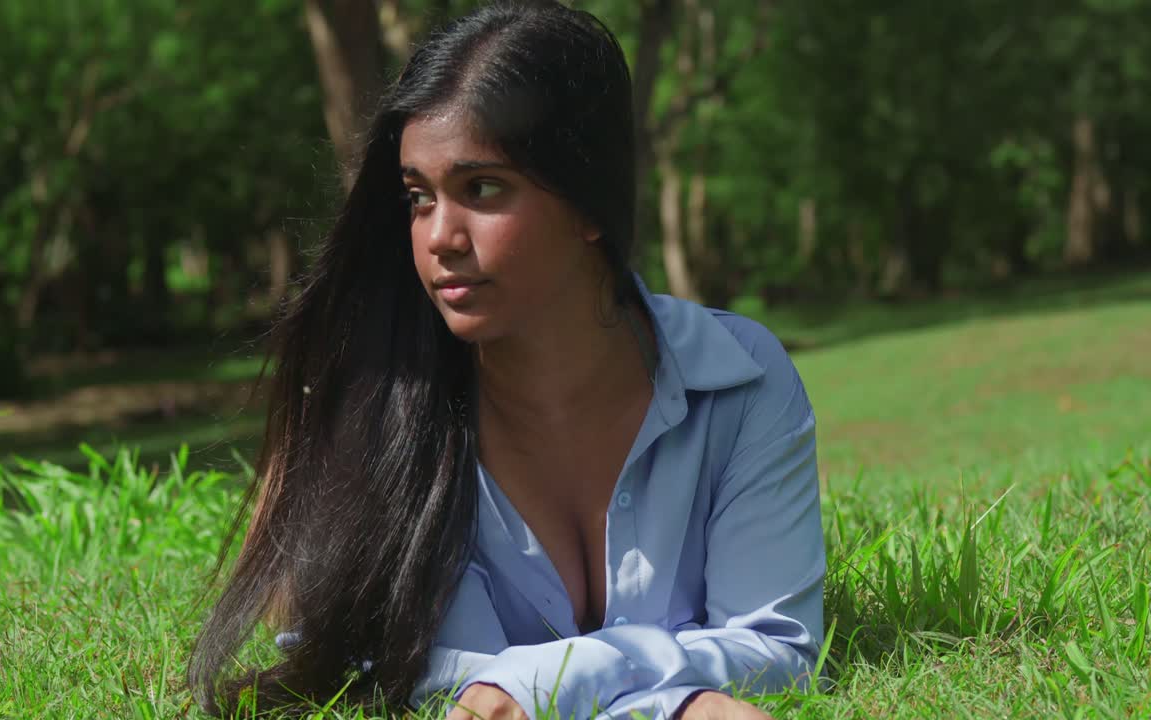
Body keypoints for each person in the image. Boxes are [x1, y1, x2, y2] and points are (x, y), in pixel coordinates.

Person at [189, 2, 825, 719]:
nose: (439, 238)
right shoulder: (379, 411)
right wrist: (671, 706)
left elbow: (778, 647)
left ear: (590, 205)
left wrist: (568, 674)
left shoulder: (740, 379)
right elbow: (378, 665)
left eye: (482, 189)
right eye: (417, 197)